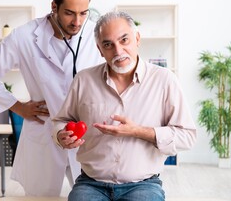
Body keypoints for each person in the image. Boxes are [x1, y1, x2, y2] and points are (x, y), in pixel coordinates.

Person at [0, 0, 104, 196]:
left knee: (91, 195)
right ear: (54, 7)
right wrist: (16, 106)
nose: (77, 22)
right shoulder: (24, 37)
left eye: (84, 13)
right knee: (39, 199)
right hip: (44, 132)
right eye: (69, 13)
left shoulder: (95, 35)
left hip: (84, 135)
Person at [52, 11, 197, 201]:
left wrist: (138, 131)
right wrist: (61, 136)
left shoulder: (165, 80)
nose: (118, 51)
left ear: (137, 39)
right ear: (99, 49)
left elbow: (187, 136)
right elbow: (61, 121)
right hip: (91, 184)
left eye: (124, 40)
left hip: (143, 185)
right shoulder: (83, 80)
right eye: (108, 44)